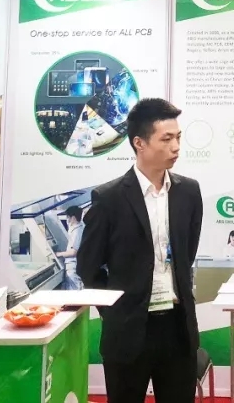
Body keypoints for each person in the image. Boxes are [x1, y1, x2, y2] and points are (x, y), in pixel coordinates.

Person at [78, 98, 203, 403]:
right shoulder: (109, 199)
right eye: (166, 139)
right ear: (139, 143)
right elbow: (88, 267)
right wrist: (115, 310)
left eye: (178, 138)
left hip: (177, 328)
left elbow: (187, 252)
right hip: (128, 330)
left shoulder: (189, 192)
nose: (176, 147)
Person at [61, 205, 85, 290]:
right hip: (76, 265)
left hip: (73, 266)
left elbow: (74, 251)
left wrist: (58, 254)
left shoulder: (76, 231)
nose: (67, 220)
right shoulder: (80, 227)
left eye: (68, 217)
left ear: (73, 217)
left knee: (74, 291)